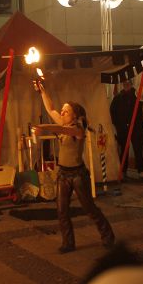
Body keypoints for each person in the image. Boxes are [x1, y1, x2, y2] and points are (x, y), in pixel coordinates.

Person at [32, 82, 115, 253]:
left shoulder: (78, 129)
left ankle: (107, 235)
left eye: (66, 111)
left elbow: (60, 129)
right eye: (62, 110)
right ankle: (68, 243)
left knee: (89, 209)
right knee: (62, 211)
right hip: (63, 174)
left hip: (78, 175)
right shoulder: (64, 125)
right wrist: (42, 90)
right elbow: (50, 109)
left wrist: (42, 127)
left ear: (75, 115)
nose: (62, 112)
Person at [110, 80, 143, 178]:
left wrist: (140, 124)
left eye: (128, 83)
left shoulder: (137, 95)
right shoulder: (118, 98)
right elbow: (112, 112)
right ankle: (123, 170)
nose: (126, 85)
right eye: (124, 83)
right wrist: (117, 124)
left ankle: (141, 170)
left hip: (136, 127)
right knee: (123, 149)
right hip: (122, 128)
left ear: (131, 84)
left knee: (138, 149)